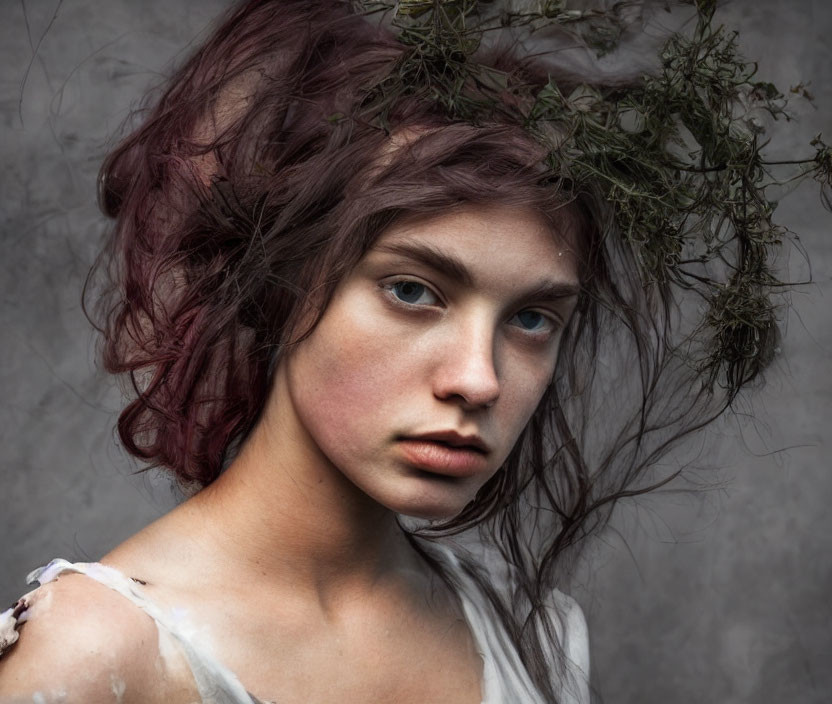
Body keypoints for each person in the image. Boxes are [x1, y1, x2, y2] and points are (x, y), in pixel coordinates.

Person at [1, 1, 822, 702]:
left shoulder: (529, 631)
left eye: (532, 318)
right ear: (280, 286)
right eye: (413, 291)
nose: (478, 379)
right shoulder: (101, 654)